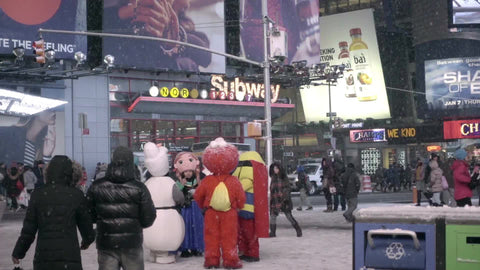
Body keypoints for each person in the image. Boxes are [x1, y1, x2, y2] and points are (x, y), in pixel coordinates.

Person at [11, 155, 95, 270]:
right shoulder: (76, 195)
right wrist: (87, 241)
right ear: (70, 173)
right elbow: (86, 226)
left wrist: (18, 252)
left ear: (48, 172)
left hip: (44, 258)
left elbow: (28, 231)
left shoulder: (38, 195)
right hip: (70, 257)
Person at [87, 146, 157, 270]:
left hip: (106, 242)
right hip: (132, 243)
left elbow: (90, 214)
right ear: (131, 162)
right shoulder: (139, 188)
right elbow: (149, 217)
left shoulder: (96, 186)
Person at [194, 138, 246, 269]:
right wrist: (238, 207)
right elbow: (241, 197)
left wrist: (203, 207)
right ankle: (230, 260)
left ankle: (212, 260)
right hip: (230, 213)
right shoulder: (233, 181)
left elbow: (198, 196)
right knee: (229, 237)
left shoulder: (207, 180)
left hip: (211, 212)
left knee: (211, 237)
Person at [233, 151, 269, 263]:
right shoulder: (251, 178)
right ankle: (246, 251)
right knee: (244, 233)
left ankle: (253, 253)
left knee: (249, 234)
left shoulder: (247, 180)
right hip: (244, 210)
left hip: (247, 211)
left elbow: (239, 189)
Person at [174, 152, 204, 258]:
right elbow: (176, 194)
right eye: (185, 171)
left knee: (197, 227)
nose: (188, 174)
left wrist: (198, 176)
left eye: (189, 171)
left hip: (196, 207)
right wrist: (181, 185)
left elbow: (202, 190)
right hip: (185, 208)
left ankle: (196, 247)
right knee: (185, 228)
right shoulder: (179, 181)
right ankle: (185, 248)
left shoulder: (197, 179)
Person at [269, 162, 302, 237]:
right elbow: (272, 189)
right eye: (274, 168)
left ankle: (298, 229)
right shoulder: (273, 178)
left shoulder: (284, 178)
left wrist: (285, 198)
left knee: (289, 216)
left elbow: (287, 189)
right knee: (273, 216)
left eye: (276, 168)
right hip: (275, 200)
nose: (275, 170)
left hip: (283, 200)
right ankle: (273, 232)